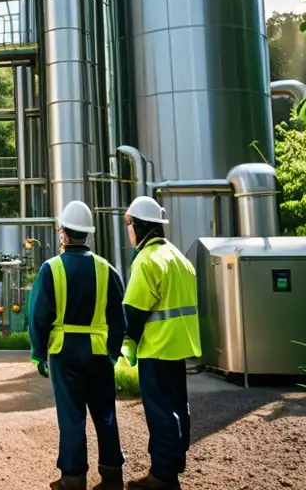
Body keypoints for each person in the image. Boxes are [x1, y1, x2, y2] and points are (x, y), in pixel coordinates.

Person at [28, 200, 127, 490]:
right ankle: (112, 475)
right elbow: (118, 318)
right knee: (105, 414)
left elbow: (39, 315)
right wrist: (113, 351)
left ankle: (73, 478)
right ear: (88, 234)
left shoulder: (51, 268)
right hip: (98, 352)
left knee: (72, 416)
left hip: (64, 353)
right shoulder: (106, 269)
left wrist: (38, 353)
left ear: (63, 234)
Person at [119, 196, 202, 490]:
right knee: (178, 406)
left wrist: (127, 340)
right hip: (179, 346)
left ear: (140, 226)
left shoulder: (147, 260)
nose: (128, 229)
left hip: (156, 347)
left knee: (159, 409)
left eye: (129, 224)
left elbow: (134, 309)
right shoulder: (179, 259)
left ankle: (162, 475)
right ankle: (173, 463)